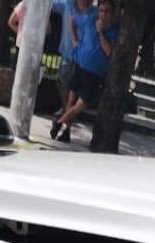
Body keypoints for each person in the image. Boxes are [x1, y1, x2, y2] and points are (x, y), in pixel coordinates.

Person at [50, 0, 119, 143]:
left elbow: (108, 51)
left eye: (107, 12)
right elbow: (72, 21)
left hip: (94, 74)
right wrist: (75, 41)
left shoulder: (113, 31)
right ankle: (65, 132)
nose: (103, 15)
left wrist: (100, 32)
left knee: (81, 105)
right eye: (101, 11)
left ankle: (59, 121)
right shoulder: (90, 21)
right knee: (71, 100)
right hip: (79, 64)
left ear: (112, 14)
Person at [52, 0, 97, 114]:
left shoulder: (94, 13)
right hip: (67, 54)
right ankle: (66, 111)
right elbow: (49, 4)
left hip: (83, 57)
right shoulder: (67, 5)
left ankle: (67, 113)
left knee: (73, 89)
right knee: (62, 83)